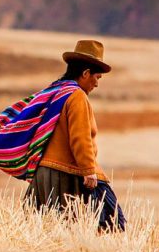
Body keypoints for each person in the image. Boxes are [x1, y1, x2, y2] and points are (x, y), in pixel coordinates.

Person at [26, 39, 125, 231]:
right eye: (96, 77)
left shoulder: (56, 91)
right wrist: (88, 170)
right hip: (65, 173)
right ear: (85, 73)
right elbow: (80, 138)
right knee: (110, 223)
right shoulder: (77, 96)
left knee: (48, 231)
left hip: (44, 173)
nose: (96, 84)